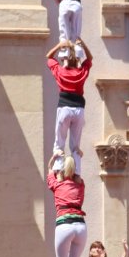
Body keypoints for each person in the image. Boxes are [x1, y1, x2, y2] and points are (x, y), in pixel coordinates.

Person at [46, 37, 93, 176]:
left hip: (64, 108)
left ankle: (58, 170)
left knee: (59, 142)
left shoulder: (60, 71)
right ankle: (77, 172)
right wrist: (83, 44)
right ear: (77, 61)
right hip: (79, 109)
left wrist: (60, 44)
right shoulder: (81, 73)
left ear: (65, 60)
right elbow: (90, 58)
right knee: (75, 145)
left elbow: (48, 56)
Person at [47, 154, 87, 257]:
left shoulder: (57, 185)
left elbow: (50, 171)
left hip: (64, 223)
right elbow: (77, 176)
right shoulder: (80, 184)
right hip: (80, 226)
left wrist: (54, 159)